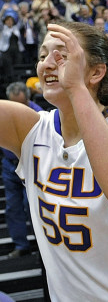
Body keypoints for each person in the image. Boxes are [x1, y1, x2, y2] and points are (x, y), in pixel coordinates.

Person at [0, 21, 108, 300]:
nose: (47, 64)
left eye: (62, 55)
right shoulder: (28, 128)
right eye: (43, 55)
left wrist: (77, 89)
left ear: (95, 72)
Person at [2, 82, 42, 258]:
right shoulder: (4, 112)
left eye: (21, 103)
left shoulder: (39, 114)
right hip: (9, 164)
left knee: (31, 205)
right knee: (13, 207)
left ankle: (43, 246)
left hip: (32, 162)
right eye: (14, 103)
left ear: (28, 98)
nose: (18, 108)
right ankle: (21, 245)